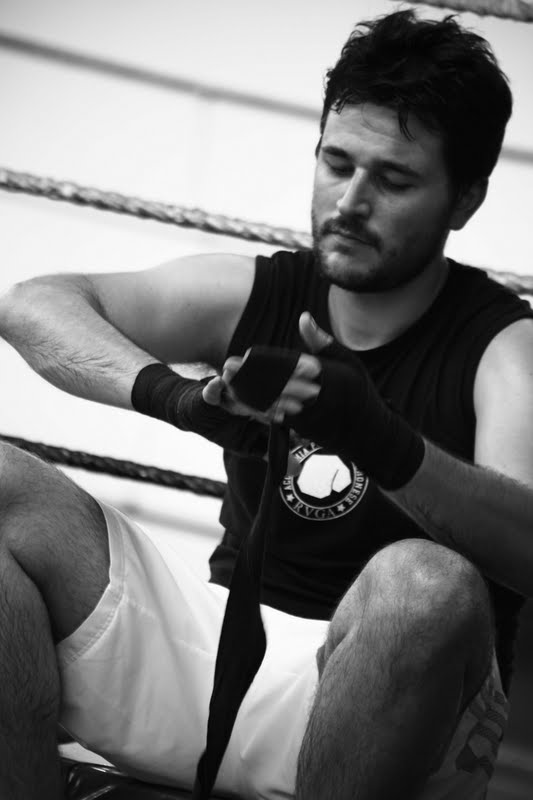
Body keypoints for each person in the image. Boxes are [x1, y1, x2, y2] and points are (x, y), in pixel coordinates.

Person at [0, 8, 532, 800]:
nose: (350, 201)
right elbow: (33, 305)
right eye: (336, 163)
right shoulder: (260, 290)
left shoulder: (504, 348)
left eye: (393, 180)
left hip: (390, 714)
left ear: (464, 200)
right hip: (216, 654)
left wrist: (381, 441)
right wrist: (177, 397)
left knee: (424, 584)